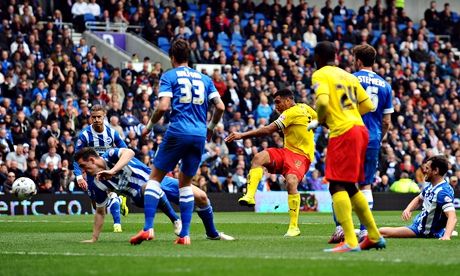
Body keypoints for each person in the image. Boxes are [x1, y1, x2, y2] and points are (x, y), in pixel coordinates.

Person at [141, 39, 225, 245]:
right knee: (186, 184)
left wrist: (149, 127)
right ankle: (184, 235)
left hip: (178, 130)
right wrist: (210, 130)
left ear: (172, 57)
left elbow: (162, 107)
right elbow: (220, 107)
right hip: (198, 135)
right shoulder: (205, 78)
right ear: (189, 56)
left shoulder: (169, 75)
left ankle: (148, 228)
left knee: (154, 179)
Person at [312, 41, 385, 252]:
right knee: (351, 186)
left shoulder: (320, 75)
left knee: (335, 185)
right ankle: (373, 235)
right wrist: (348, 115)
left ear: (317, 57)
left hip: (343, 132)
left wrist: (322, 120)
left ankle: (351, 241)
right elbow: (369, 106)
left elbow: (323, 104)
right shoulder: (349, 76)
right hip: (360, 130)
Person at [75, 147, 234, 243]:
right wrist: (94, 238)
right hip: (139, 194)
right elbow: (100, 212)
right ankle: (174, 220)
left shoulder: (110, 155)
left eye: (83, 166)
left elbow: (129, 152)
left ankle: (212, 234)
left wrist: (112, 171)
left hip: (159, 179)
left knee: (201, 197)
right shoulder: (96, 183)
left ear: (92, 160)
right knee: (149, 186)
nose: (83, 171)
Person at [225, 88, 317, 237]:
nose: (276, 106)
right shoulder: (304, 108)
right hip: (287, 152)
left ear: (288, 100)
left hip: (301, 157)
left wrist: (242, 135)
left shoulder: (291, 112)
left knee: (291, 181)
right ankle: (249, 196)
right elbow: (319, 119)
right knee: (259, 158)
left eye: (278, 102)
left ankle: (294, 227)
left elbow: (268, 130)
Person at [74, 105, 179, 233]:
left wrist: (132, 167)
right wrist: (79, 176)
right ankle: (116, 200)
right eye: (93, 117)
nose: (96, 120)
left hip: (112, 169)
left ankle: (118, 212)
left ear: (104, 117)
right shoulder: (84, 135)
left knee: (175, 191)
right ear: (90, 118)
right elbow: (76, 156)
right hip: (93, 172)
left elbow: (126, 150)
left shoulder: (112, 133)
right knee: (96, 204)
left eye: (99, 117)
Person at [328, 44, 393, 243]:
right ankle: (365, 230)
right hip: (372, 138)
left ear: (357, 60)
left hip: (349, 135)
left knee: (339, 181)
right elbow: (387, 121)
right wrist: (379, 138)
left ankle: (341, 228)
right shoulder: (385, 85)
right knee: (366, 184)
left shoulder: (350, 79)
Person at [379, 156, 457, 240]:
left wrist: (446, 236)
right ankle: (442, 231)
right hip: (420, 224)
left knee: (381, 231)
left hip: (422, 230)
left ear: (436, 171)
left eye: (427, 168)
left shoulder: (442, 192)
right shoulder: (432, 185)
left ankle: (443, 232)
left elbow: (452, 217)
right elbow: (419, 199)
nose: (424, 171)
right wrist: (408, 209)